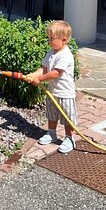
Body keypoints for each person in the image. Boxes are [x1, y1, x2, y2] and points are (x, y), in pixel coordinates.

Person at [24, 20, 77, 154]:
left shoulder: (65, 55)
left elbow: (55, 73)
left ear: (64, 40)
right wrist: (33, 75)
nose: (49, 41)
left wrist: (39, 79)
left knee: (67, 117)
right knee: (51, 114)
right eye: (49, 38)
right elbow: (44, 69)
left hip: (65, 94)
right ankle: (51, 133)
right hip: (52, 92)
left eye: (52, 39)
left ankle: (69, 138)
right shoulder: (52, 52)